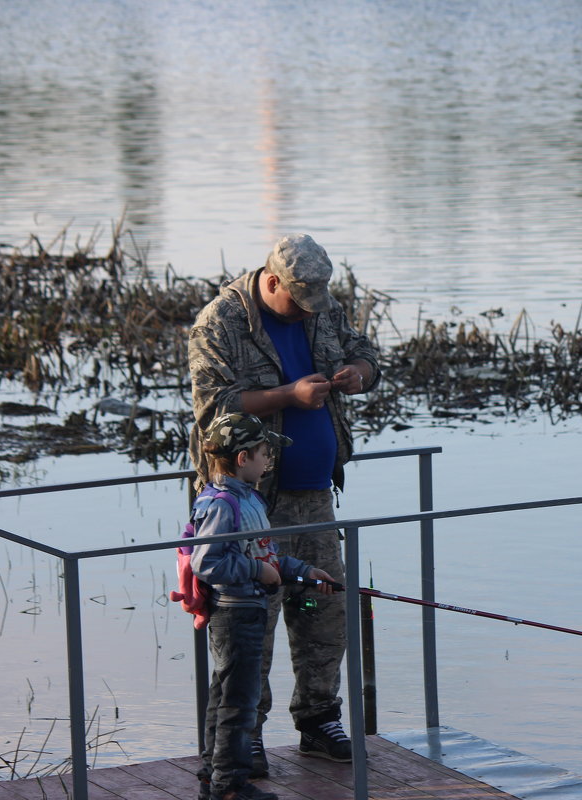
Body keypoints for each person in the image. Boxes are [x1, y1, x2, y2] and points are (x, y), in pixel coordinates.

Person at [189, 233, 380, 770]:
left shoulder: (319, 306)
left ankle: (320, 720)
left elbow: (365, 353)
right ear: (272, 282)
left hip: (315, 497)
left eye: (315, 304)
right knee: (249, 620)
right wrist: (288, 396)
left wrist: (357, 376)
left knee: (322, 609)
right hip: (248, 505)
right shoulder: (220, 321)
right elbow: (214, 408)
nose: (308, 314)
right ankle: (241, 734)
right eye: (298, 303)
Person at [192, 411, 335, 800]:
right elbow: (206, 562)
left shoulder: (248, 498)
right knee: (238, 702)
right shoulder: (223, 504)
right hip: (236, 615)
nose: (268, 461)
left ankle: (213, 777)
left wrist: (305, 571)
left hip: (248, 610)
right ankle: (230, 786)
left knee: (226, 696)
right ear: (242, 458)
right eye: (263, 453)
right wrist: (257, 571)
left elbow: (266, 555)